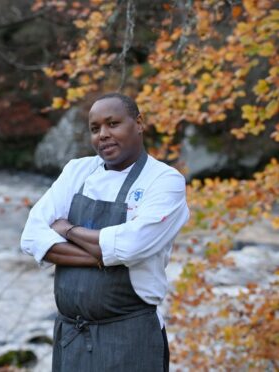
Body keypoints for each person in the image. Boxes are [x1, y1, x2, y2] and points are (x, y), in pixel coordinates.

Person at [21, 93, 189, 371]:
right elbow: (31, 237)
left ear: (138, 123)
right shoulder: (77, 171)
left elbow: (130, 247)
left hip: (130, 339)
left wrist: (67, 229)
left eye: (113, 124)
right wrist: (102, 256)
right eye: (95, 128)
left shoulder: (164, 181)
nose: (103, 135)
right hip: (71, 336)